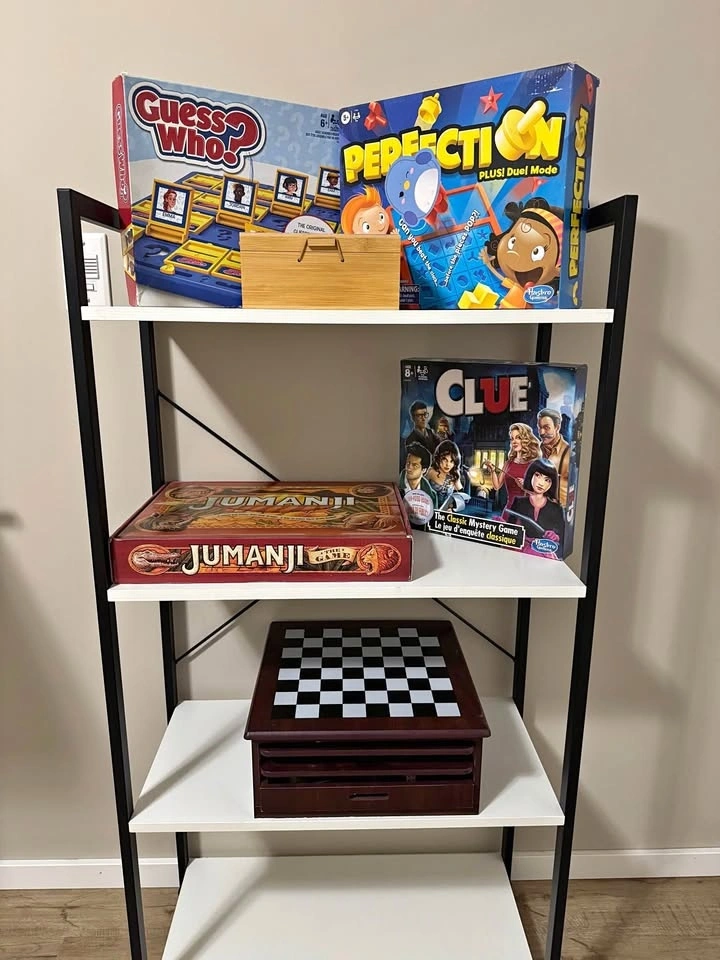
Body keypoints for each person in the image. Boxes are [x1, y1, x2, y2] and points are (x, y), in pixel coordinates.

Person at [480, 197, 563, 309]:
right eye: (512, 242)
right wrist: (488, 263)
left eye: (536, 252)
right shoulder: (517, 285)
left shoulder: (536, 292)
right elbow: (501, 278)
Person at [509, 458, 565, 557]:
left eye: (547, 480)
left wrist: (555, 536)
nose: (541, 483)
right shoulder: (519, 502)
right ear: (531, 475)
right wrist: (501, 525)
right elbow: (510, 530)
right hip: (521, 553)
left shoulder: (556, 508)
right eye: (538, 475)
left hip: (546, 555)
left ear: (551, 484)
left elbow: (563, 536)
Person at [483, 422, 541, 516]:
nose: (514, 441)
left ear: (526, 439)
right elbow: (497, 486)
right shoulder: (508, 463)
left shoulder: (534, 464)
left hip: (526, 513)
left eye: (518, 437)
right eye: (512, 438)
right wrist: (492, 471)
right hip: (509, 511)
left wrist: (525, 487)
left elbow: (540, 494)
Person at [536, 407, 570, 506]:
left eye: (546, 428)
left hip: (557, 510)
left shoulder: (568, 453)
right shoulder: (538, 450)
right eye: (539, 427)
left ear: (557, 428)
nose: (541, 432)